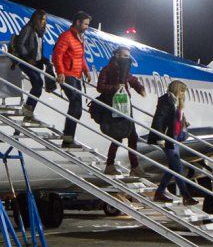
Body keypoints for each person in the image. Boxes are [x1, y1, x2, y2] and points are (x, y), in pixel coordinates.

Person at [96, 46, 146, 176]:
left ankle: (134, 167)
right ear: (117, 55)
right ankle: (110, 165)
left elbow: (132, 80)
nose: (127, 59)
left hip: (125, 105)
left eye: (128, 56)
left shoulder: (125, 71)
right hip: (115, 105)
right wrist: (114, 87)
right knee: (118, 136)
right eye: (124, 56)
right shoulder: (107, 70)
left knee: (132, 136)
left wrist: (140, 89)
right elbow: (100, 87)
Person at [147, 80, 197, 206]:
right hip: (167, 138)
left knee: (172, 167)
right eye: (181, 91)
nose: (183, 94)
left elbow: (174, 119)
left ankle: (159, 192)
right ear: (176, 89)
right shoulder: (166, 100)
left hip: (174, 138)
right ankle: (186, 196)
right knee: (178, 167)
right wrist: (160, 137)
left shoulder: (175, 102)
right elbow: (159, 119)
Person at [52, 11, 92, 149]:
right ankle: (68, 139)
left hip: (76, 76)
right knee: (75, 102)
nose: (87, 27)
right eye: (86, 24)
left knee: (78, 108)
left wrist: (86, 70)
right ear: (78, 22)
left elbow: (81, 57)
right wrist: (60, 72)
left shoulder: (80, 38)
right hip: (67, 74)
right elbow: (57, 55)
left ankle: (69, 138)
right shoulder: (66, 37)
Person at [15, 9, 50, 122]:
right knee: (37, 83)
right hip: (25, 61)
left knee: (38, 86)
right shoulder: (28, 28)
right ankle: (27, 110)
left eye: (45, 20)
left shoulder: (40, 32)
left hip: (35, 62)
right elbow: (20, 44)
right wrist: (27, 57)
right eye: (42, 19)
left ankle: (28, 111)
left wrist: (44, 59)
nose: (44, 22)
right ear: (36, 18)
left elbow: (38, 50)